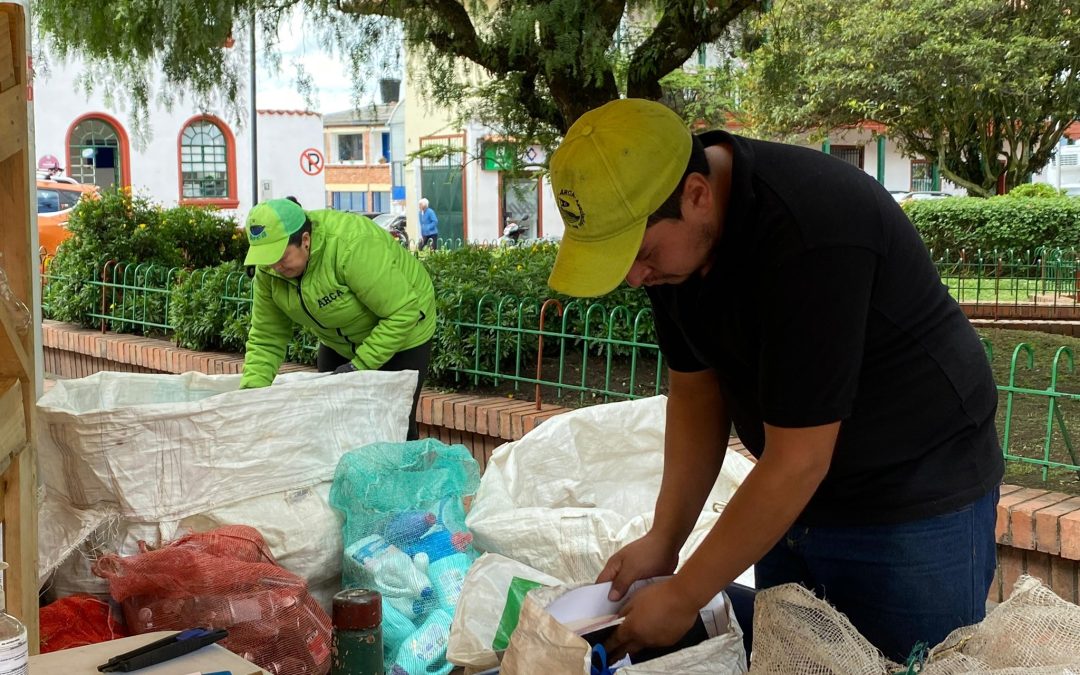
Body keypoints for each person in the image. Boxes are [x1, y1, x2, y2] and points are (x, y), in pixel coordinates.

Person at [546, 99, 1003, 663]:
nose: (637, 277)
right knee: (796, 656)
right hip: (797, 495)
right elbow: (696, 391)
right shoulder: (678, 247)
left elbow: (799, 459)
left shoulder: (812, 231)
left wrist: (688, 593)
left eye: (639, 254)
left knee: (907, 663)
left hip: (915, 492)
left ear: (696, 194)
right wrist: (665, 540)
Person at [240, 197, 436, 440]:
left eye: (281, 257)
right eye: (267, 258)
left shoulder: (351, 245)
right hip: (340, 338)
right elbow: (266, 338)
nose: (275, 266)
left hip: (405, 328)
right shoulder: (269, 270)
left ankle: (406, 472)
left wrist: (358, 367)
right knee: (333, 419)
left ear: (305, 240)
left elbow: (402, 311)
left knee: (393, 425)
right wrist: (249, 399)